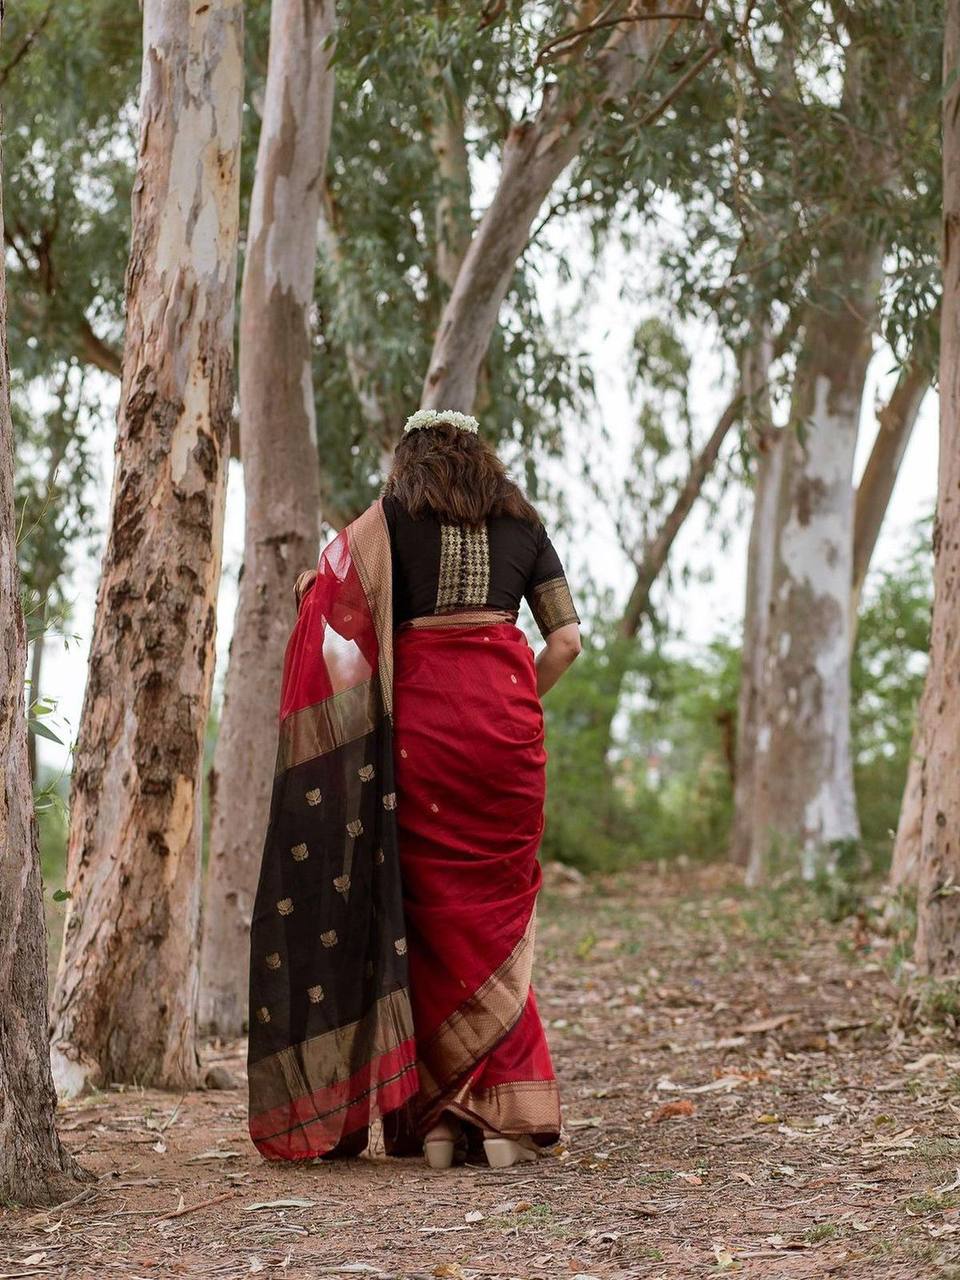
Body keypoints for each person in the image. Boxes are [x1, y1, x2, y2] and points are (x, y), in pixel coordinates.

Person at [246, 409, 581, 1172]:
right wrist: (516, 703)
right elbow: (566, 641)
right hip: (509, 734)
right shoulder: (524, 522)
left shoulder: (387, 524)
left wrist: (312, 595)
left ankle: (436, 1126)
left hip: (421, 735)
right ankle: (507, 1116)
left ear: (410, 463)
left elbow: (334, 615)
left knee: (428, 923)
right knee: (498, 916)